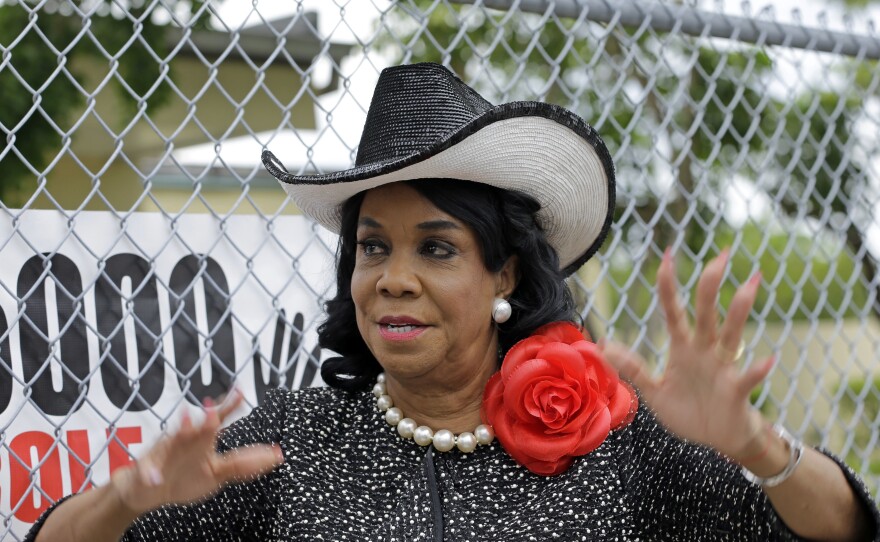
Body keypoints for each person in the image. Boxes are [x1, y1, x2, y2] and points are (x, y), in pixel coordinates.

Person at [27, 62, 878, 541]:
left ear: (505, 274)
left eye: (436, 247)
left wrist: (758, 448)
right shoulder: (294, 442)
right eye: (372, 247)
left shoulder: (616, 441)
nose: (392, 277)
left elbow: (840, 533)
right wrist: (129, 496)